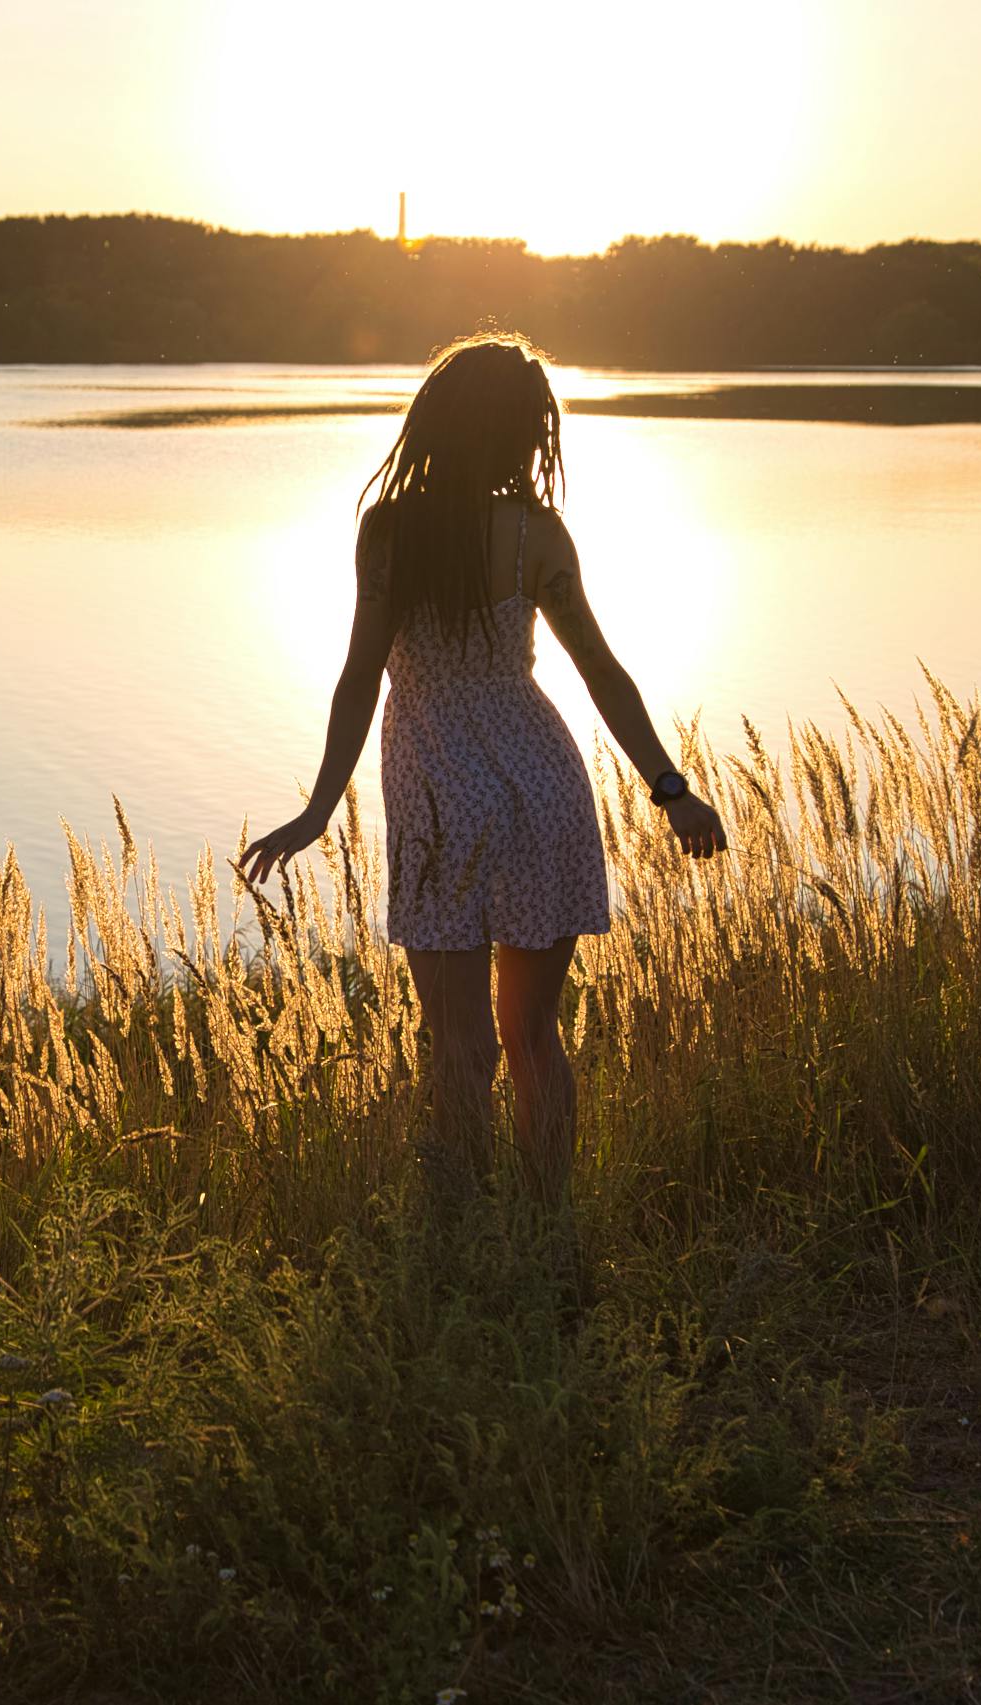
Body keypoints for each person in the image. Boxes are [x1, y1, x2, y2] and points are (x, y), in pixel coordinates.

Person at [240, 334, 727, 1211]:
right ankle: (545, 1226)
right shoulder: (536, 535)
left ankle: (461, 1232)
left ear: (436, 421)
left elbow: (359, 676)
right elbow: (602, 673)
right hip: (541, 784)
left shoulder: (389, 533)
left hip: (437, 794)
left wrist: (319, 807)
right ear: (520, 435)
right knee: (534, 1038)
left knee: (459, 1047)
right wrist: (669, 787)